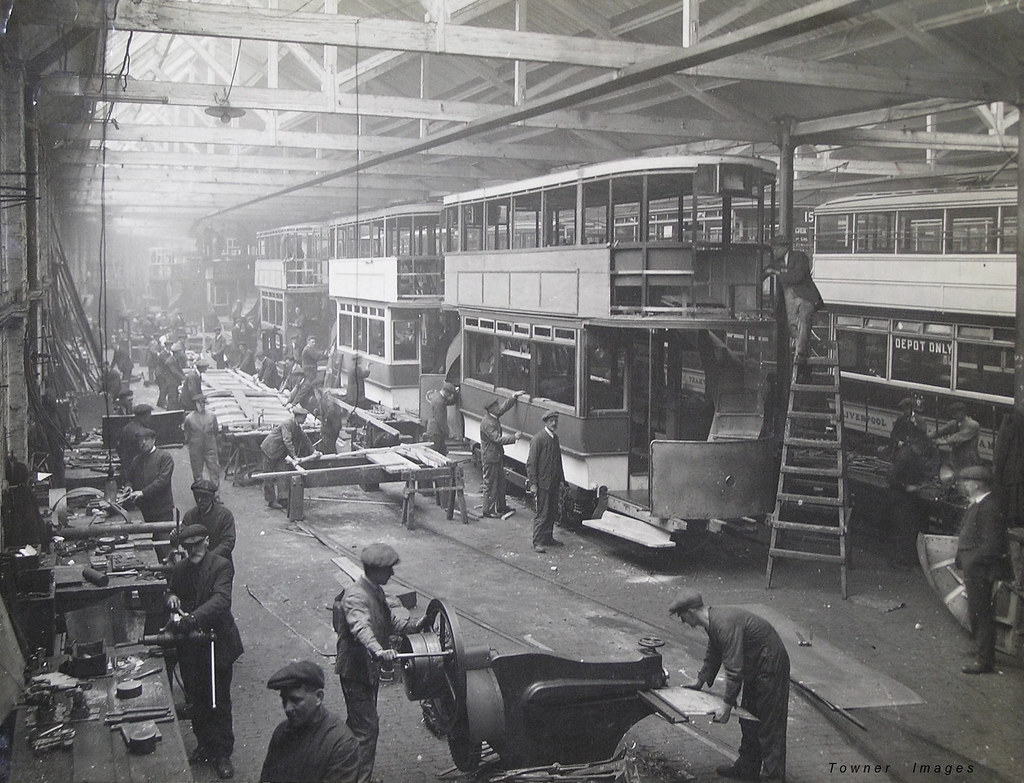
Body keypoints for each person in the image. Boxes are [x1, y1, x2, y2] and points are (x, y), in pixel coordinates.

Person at [670, 590, 789, 782]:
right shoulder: (712, 622)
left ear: (691, 612)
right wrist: (700, 680)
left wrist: (726, 705)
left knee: (769, 726)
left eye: (681, 616)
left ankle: (772, 778)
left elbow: (734, 669)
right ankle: (747, 769)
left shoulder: (723, 624)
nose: (682, 621)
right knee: (750, 720)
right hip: (756, 665)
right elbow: (714, 651)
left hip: (770, 665)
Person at [332, 543, 425, 783]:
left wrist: (417, 625)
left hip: (366, 670)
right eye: (388, 570)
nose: (392, 574)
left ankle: (348, 773)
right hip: (355, 670)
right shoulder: (355, 596)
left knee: (358, 726)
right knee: (367, 729)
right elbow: (360, 626)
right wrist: (379, 650)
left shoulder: (375, 591)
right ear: (375, 571)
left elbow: (391, 622)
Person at [165, 523, 244, 780]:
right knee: (196, 697)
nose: (193, 550)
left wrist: (194, 619)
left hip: (217, 642)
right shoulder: (181, 568)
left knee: (218, 698)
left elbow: (221, 600)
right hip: (191, 647)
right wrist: (172, 598)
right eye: (188, 547)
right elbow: (172, 589)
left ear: (207, 542)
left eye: (197, 545)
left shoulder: (221, 566)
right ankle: (204, 745)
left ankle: (222, 753)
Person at [260, 661, 361, 783]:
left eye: (295, 700)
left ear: (319, 697)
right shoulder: (281, 732)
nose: (287, 708)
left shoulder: (342, 744)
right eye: (284, 700)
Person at [955, 465, 1010, 675]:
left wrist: (970, 561)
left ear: (977, 484)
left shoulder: (989, 508)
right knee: (976, 612)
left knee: (982, 613)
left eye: (967, 481)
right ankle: (981, 652)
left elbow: (991, 545)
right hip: (974, 568)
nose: (965, 485)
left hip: (980, 570)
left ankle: (984, 660)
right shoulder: (979, 505)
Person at [887, 397, 933, 567]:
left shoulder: (919, 421)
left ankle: (906, 558)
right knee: (903, 527)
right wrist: (908, 486)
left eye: (906, 408)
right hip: (901, 494)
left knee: (908, 527)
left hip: (906, 492)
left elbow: (924, 437)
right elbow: (894, 435)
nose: (904, 411)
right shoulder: (906, 453)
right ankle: (901, 560)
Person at [763, 239, 823, 370]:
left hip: (806, 297)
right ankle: (803, 359)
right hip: (790, 299)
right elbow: (766, 270)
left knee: (804, 318)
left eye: (776, 249)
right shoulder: (778, 263)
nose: (774, 252)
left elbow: (797, 276)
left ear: (784, 248)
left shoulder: (800, 257)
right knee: (793, 326)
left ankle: (801, 355)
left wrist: (778, 273)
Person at [260, 406, 321, 510]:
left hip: (279, 453)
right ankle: (271, 501)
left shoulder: (297, 426)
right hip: (269, 450)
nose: (305, 420)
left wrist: (313, 451)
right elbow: (287, 441)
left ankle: (282, 499)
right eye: (304, 418)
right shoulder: (287, 424)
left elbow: (305, 439)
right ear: (298, 417)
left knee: (283, 474)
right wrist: (294, 456)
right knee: (268, 476)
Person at [479, 391, 525, 517]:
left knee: (500, 483)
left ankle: (501, 506)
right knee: (490, 484)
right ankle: (488, 510)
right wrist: (514, 437)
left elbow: (503, 408)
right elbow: (498, 439)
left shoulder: (493, 416)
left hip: (496, 456)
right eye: (496, 404)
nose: (498, 406)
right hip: (490, 458)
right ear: (491, 408)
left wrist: (513, 397)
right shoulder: (488, 423)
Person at [526, 410, 565, 553]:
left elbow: (558, 461)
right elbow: (531, 463)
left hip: (553, 483)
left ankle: (548, 538)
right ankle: (537, 541)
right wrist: (533, 484)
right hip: (543, 483)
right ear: (546, 422)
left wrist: (562, 480)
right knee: (542, 513)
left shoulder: (555, 438)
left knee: (552, 512)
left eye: (555, 421)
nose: (554, 423)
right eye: (551, 421)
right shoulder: (539, 439)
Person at [180, 479, 235, 562]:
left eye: (204, 497)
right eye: (197, 496)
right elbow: (183, 541)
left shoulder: (225, 515)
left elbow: (228, 542)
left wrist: (208, 558)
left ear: (212, 497)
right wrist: (176, 537)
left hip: (219, 564)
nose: (199, 500)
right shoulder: (190, 516)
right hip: (196, 563)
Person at [126, 428, 175, 522]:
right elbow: (130, 479)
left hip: (162, 508)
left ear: (153, 440)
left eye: (146, 439)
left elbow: (162, 481)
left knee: (163, 535)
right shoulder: (136, 460)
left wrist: (143, 492)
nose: (143, 442)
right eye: (140, 440)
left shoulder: (164, 457)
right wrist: (129, 486)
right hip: (145, 508)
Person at [931, 402, 981, 473]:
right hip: (956, 458)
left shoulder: (973, 425)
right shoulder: (954, 423)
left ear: (963, 412)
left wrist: (942, 441)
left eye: (955, 413)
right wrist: (926, 436)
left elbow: (957, 437)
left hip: (969, 460)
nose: (953, 416)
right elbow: (939, 431)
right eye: (952, 414)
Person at [183, 394, 221, 485]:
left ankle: (216, 495)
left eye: (203, 403)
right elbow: (187, 433)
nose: (201, 405)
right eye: (199, 403)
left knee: (214, 471)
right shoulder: (189, 418)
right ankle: (200, 495)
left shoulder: (211, 416)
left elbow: (215, 430)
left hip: (210, 446)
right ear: (195, 404)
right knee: (197, 473)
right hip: (196, 448)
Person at [117, 403, 154, 478]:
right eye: (149, 417)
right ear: (144, 417)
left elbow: (119, 448)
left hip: (126, 468)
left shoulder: (126, 428)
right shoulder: (145, 433)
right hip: (140, 471)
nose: (150, 419)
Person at [424, 382, 458, 455]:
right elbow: (440, 420)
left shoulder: (438, 396)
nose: (450, 396)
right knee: (436, 454)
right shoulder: (439, 402)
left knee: (441, 452)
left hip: (436, 431)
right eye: (449, 394)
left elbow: (448, 402)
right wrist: (448, 432)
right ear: (445, 392)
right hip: (436, 431)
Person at [314, 385, 349, 455]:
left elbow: (331, 410)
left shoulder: (326, 398)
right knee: (330, 444)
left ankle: (332, 458)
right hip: (333, 425)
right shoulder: (324, 397)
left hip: (332, 426)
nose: (316, 396)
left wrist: (325, 420)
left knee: (329, 444)